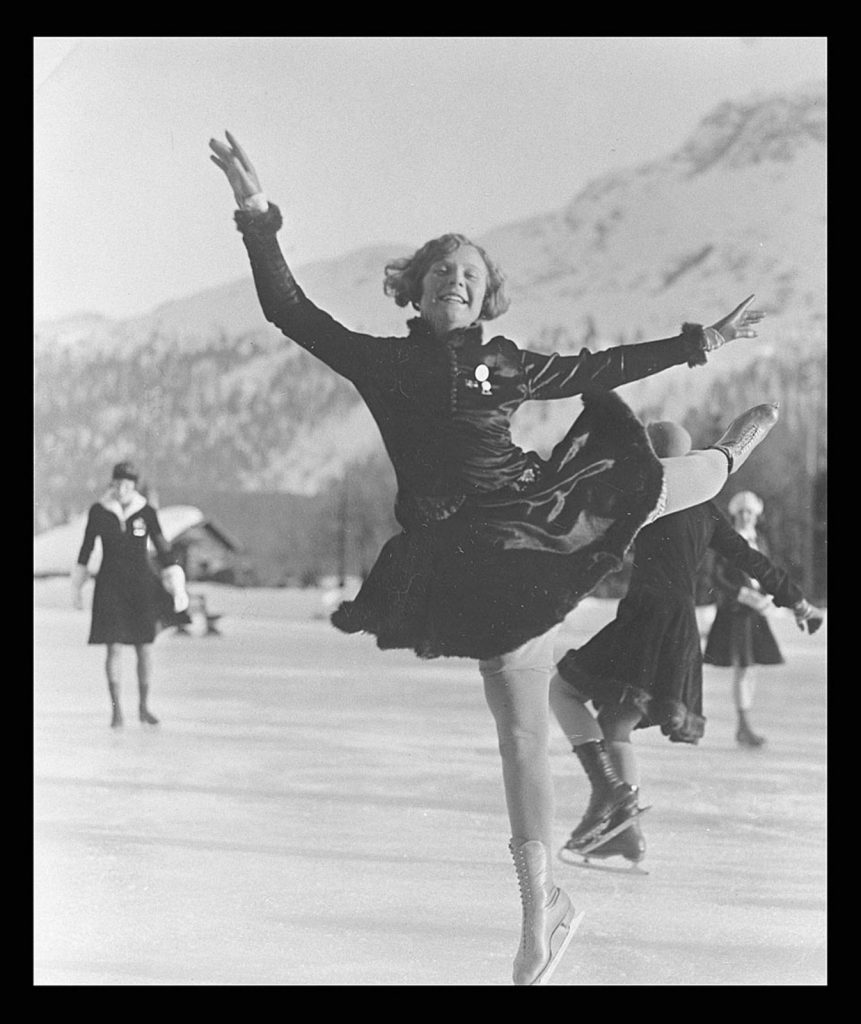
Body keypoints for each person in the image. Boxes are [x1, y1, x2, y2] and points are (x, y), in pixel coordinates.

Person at [210, 130, 779, 985]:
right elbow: (290, 312)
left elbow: (601, 363)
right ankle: (541, 913)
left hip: (533, 520)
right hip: (459, 560)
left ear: (485, 299)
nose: (456, 280)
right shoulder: (385, 361)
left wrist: (702, 341)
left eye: (470, 275)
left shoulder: (507, 363)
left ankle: (727, 460)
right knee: (518, 737)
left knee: (650, 484)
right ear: (417, 287)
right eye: (442, 271)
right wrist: (258, 217)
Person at [549, 422, 824, 868]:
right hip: (679, 625)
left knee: (561, 689)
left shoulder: (643, 499)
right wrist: (798, 602)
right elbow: (752, 560)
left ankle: (611, 792)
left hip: (646, 616)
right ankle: (628, 835)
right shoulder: (706, 511)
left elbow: (583, 541)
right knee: (617, 724)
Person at [71, 461, 190, 728]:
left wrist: (177, 585)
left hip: (141, 587)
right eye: (118, 483)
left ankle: (144, 707)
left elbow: (163, 548)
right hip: (110, 586)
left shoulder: (146, 512)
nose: (122, 488)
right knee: (112, 648)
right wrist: (77, 585)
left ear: (134, 486)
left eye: (127, 484)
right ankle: (116, 711)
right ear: (112, 484)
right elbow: (86, 548)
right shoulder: (99, 512)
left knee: (144, 648)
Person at [704, 490, 794, 746]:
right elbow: (715, 577)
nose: (745, 516)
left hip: (754, 613)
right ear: (734, 514)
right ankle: (743, 726)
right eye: (741, 512)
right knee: (744, 668)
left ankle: (744, 724)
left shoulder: (759, 540)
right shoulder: (726, 541)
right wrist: (741, 594)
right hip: (735, 612)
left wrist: (768, 596)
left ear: (756, 515)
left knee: (750, 669)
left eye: (750, 512)